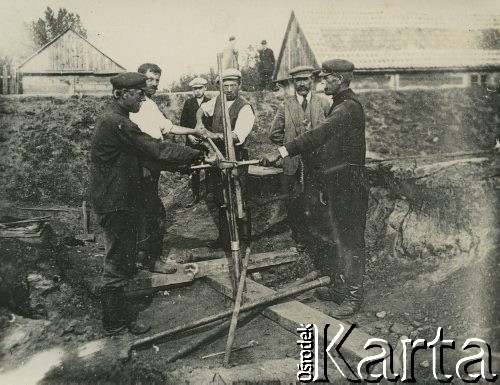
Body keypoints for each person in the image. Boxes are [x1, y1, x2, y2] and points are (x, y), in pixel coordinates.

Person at [90, 72, 202, 335]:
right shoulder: (117, 123)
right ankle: (115, 323)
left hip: (117, 197)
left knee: (123, 256)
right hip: (114, 200)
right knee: (118, 260)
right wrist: (196, 154)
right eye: (138, 92)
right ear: (121, 94)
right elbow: (155, 149)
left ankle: (117, 316)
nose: (143, 95)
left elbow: (143, 156)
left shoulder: (118, 119)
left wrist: (184, 164)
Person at [260, 59, 368, 318]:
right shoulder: (339, 105)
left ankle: (353, 298)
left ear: (339, 80)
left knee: (351, 240)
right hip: (338, 183)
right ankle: (340, 288)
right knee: (338, 237)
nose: (322, 83)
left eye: (326, 78)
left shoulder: (346, 108)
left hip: (350, 185)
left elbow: (318, 135)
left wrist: (282, 151)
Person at [130, 63, 204, 273]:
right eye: (150, 79)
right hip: (141, 165)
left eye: (157, 80)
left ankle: (140, 257)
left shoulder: (150, 104)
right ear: (140, 79)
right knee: (154, 214)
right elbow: (149, 145)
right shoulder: (135, 107)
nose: (154, 84)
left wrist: (194, 131)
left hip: (151, 165)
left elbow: (168, 127)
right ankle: (151, 260)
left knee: (147, 212)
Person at [269, 65, 330, 252]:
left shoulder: (324, 103)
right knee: (294, 202)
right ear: (293, 83)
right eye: (298, 80)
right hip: (293, 164)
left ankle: (319, 238)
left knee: (316, 200)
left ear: (312, 81)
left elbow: (331, 132)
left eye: (305, 79)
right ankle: (300, 239)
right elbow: (274, 134)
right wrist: (289, 143)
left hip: (317, 162)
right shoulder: (285, 105)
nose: (302, 84)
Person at [195, 68, 255, 250]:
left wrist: (212, 135)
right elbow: (201, 110)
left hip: (236, 157)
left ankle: (244, 240)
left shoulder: (244, 107)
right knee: (220, 197)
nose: (228, 89)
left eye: (232, 85)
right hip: (217, 156)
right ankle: (224, 239)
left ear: (239, 86)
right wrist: (199, 123)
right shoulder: (217, 101)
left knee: (239, 195)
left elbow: (237, 136)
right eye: (225, 86)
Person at [180, 77, 212, 208]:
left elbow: (213, 123)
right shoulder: (188, 103)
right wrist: (189, 135)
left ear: (205, 88)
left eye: (200, 88)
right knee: (194, 169)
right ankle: (195, 196)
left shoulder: (211, 102)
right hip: (193, 141)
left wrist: (208, 137)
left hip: (208, 141)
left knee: (210, 167)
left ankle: (211, 195)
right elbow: (183, 123)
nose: (198, 91)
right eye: (195, 89)